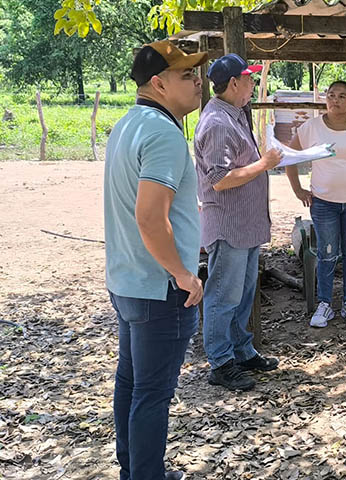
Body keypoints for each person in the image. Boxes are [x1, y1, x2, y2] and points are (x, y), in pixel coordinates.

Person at [104, 40, 206, 480]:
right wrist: (182, 274)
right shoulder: (163, 133)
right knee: (152, 393)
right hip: (160, 287)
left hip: (128, 280)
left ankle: (134, 470)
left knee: (132, 383)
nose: (198, 82)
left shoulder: (128, 124)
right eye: (187, 75)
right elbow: (149, 216)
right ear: (158, 84)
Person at [194, 53, 282, 392]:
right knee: (223, 296)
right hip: (229, 225)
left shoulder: (233, 114)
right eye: (249, 79)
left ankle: (241, 352)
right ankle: (220, 362)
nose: (253, 84)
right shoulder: (218, 123)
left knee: (242, 294)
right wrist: (264, 164)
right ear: (233, 83)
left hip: (243, 224)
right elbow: (220, 179)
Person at [286, 80, 346, 328]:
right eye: (330, 95)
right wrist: (298, 190)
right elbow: (290, 157)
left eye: (341, 96)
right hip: (323, 203)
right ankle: (325, 304)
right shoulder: (312, 127)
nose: (335, 100)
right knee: (326, 253)